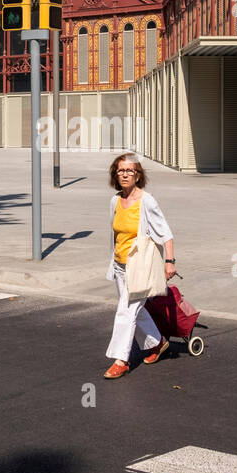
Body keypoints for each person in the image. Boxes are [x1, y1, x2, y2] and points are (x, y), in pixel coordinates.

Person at [104, 152, 175, 379]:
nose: (125, 174)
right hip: (120, 266)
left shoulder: (147, 201)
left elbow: (165, 233)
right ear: (115, 174)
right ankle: (157, 343)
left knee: (125, 311)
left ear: (138, 175)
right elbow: (115, 235)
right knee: (136, 310)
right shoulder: (115, 201)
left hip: (139, 267)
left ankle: (121, 360)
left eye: (130, 171)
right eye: (121, 171)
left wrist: (169, 261)